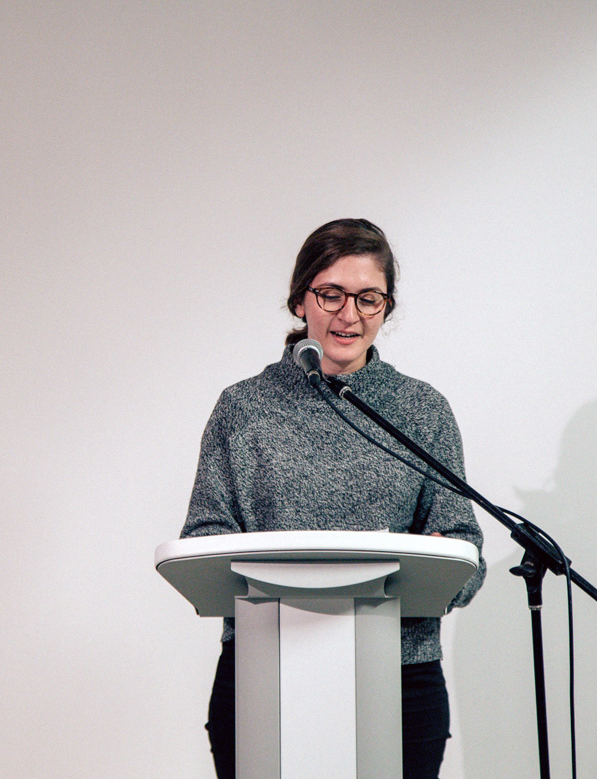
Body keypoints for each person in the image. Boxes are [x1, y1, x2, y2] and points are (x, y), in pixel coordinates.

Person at [180, 218, 486, 779]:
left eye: (369, 298)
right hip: (264, 669)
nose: (350, 315)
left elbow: (464, 554)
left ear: (386, 308)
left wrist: (445, 558)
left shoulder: (421, 409)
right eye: (331, 294)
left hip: (401, 680)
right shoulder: (243, 409)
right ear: (300, 301)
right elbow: (204, 540)